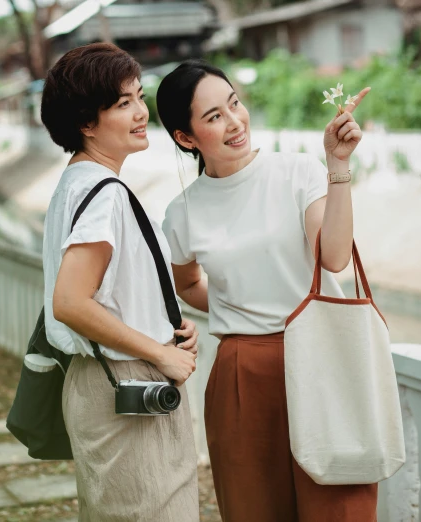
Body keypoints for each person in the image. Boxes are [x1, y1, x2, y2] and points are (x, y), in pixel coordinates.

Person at [156, 59, 376, 521]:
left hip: (320, 358)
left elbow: (333, 258)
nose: (235, 122)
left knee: (339, 507)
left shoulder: (298, 171)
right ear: (185, 137)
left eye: (234, 104)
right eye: (214, 116)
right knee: (254, 507)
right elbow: (188, 284)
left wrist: (338, 165)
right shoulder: (182, 213)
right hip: (242, 376)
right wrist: (239, 303)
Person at [40, 43, 201, 521]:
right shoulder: (104, 194)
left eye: (138, 96)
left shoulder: (75, 182)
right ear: (87, 122)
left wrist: (167, 326)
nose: (139, 112)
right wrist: (158, 352)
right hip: (128, 385)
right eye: (122, 103)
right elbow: (70, 301)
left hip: (103, 381)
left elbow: (106, 293)